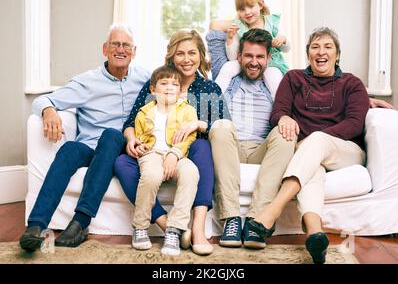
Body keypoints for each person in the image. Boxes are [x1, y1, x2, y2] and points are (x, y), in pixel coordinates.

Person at [19, 24, 151, 252]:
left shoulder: (145, 79)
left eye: (126, 45)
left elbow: (171, 94)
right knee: (70, 148)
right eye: (115, 44)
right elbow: (42, 100)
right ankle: (36, 225)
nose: (120, 49)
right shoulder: (87, 81)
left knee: (111, 135)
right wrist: (48, 111)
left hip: (123, 147)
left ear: (134, 51)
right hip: (90, 148)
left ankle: (80, 221)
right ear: (105, 49)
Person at [247, 27, 370, 264]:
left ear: (337, 54)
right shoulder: (294, 78)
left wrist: (310, 141)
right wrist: (283, 118)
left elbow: (354, 124)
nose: (321, 52)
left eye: (327, 47)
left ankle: (272, 210)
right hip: (309, 156)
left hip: (345, 151)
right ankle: (315, 235)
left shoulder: (352, 83)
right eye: (315, 47)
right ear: (308, 54)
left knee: (317, 141)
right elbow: (278, 112)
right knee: (312, 169)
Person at [114, 29, 230, 256]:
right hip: (153, 152)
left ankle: (197, 229)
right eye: (180, 54)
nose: (186, 60)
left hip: (190, 153)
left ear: (201, 55)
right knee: (121, 162)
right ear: (171, 57)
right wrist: (132, 139)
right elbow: (131, 121)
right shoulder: (156, 83)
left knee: (202, 146)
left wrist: (196, 125)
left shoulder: (209, 88)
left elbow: (223, 124)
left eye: (192, 53)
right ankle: (168, 225)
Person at [205, 27, 297, 249]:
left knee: (286, 133)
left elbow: (300, 105)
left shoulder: (275, 85)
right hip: (231, 148)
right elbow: (214, 35)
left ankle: (257, 220)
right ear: (239, 56)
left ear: (268, 58)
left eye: (259, 57)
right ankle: (231, 219)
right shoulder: (226, 78)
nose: (253, 62)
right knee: (221, 126)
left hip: (261, 150)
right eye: (248, 56)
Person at [131, 66, 199, 256]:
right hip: (152, 154)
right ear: (153, 89)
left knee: (191, 172)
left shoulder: (187, 111)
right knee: (151, 175)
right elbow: (139, 137)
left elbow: (189, 138)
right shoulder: (144, 112)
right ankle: (140, 227)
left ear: (180, 90)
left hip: (177, 154)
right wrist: (140, 146)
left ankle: (174, 230)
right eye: (164, 83)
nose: (169, 87)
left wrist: (174, 153)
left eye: (174, 84)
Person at [210, 0, 290, 99]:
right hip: (245, 62)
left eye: (251, 6)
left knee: (274, 78)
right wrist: (230, 39)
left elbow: (286, 49)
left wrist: (283, 40)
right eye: (242, 9)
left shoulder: (271, 22)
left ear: (261, 5)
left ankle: (282, 109)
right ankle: (212, 100)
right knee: (227, 67)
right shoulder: (239, 27)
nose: (247, 12)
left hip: (271, 63)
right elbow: (233, 57)